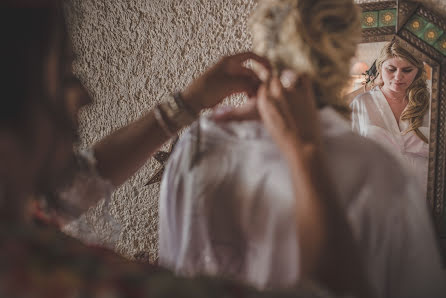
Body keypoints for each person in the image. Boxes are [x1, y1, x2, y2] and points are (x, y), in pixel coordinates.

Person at [0, 1, 366, 297]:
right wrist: (304, 151)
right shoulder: (71, 283)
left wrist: (184, 104)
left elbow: (78, 182)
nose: (86, 96)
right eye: (65, 76)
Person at [158, 0, 446, 297]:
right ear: (348, 55)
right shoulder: (376, 171)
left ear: (262, 44)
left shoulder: (197, 145)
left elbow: (174, 272)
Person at [350, 41, 430, 191]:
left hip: (425, 194)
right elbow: (352, 157)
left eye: (407, 70)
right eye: (391, 69)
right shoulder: (362, 103)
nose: (398, 77)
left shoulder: (431, 104)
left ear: (417, 71)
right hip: (378, 194)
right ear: (380, 68)